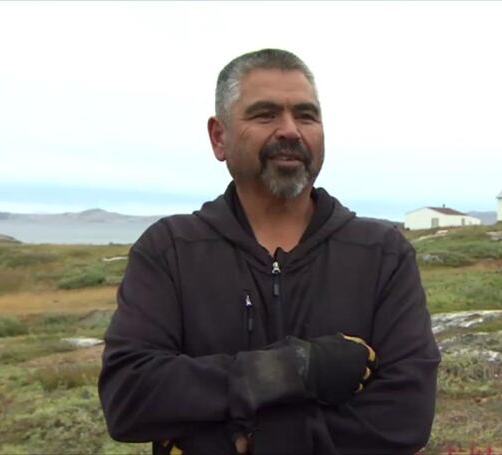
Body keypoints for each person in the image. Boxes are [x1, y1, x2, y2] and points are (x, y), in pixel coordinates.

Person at [98, 48, 440, 455]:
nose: (291, 130)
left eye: (306, 115)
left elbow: (405, 418)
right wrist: (290, 369)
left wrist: (243, 442)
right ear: (218, 136)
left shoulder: (381, 253)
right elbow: (129, 397)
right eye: (265, 114)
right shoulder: (170, 249)